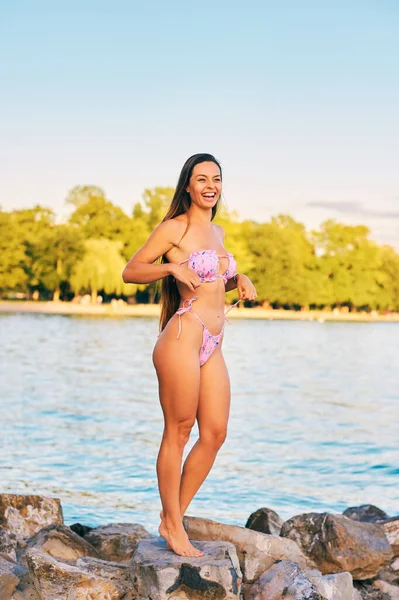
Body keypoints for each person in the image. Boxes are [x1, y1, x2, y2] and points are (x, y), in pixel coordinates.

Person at [122, 153, 257, 557]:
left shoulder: (218, 230)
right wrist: (170, 270)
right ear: (188, 186)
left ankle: (172, 518)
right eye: (201, 179)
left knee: (214, 433)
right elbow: (131, 270)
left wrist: (240, 279)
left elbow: (214, 282)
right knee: (178, 432)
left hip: (213, 342)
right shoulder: (173, 228)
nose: (210, 185)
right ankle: (174, 524)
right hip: (182, 337)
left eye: (216, 178)